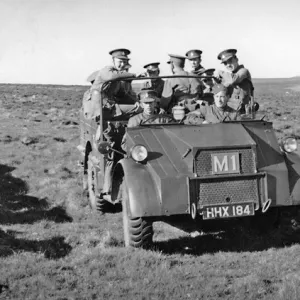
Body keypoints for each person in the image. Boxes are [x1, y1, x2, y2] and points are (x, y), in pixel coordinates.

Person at [89, 48, 139, 119]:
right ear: (113, 60)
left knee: (139, 107)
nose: (122, 65)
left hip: (110, 105)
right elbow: (110, 76)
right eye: (120, 62)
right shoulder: (106, 70)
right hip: (101, 108)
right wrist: (133, 75)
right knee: (138, 109)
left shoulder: (117, 77)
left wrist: (135, 101)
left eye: (124, 62)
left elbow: (122, 94)